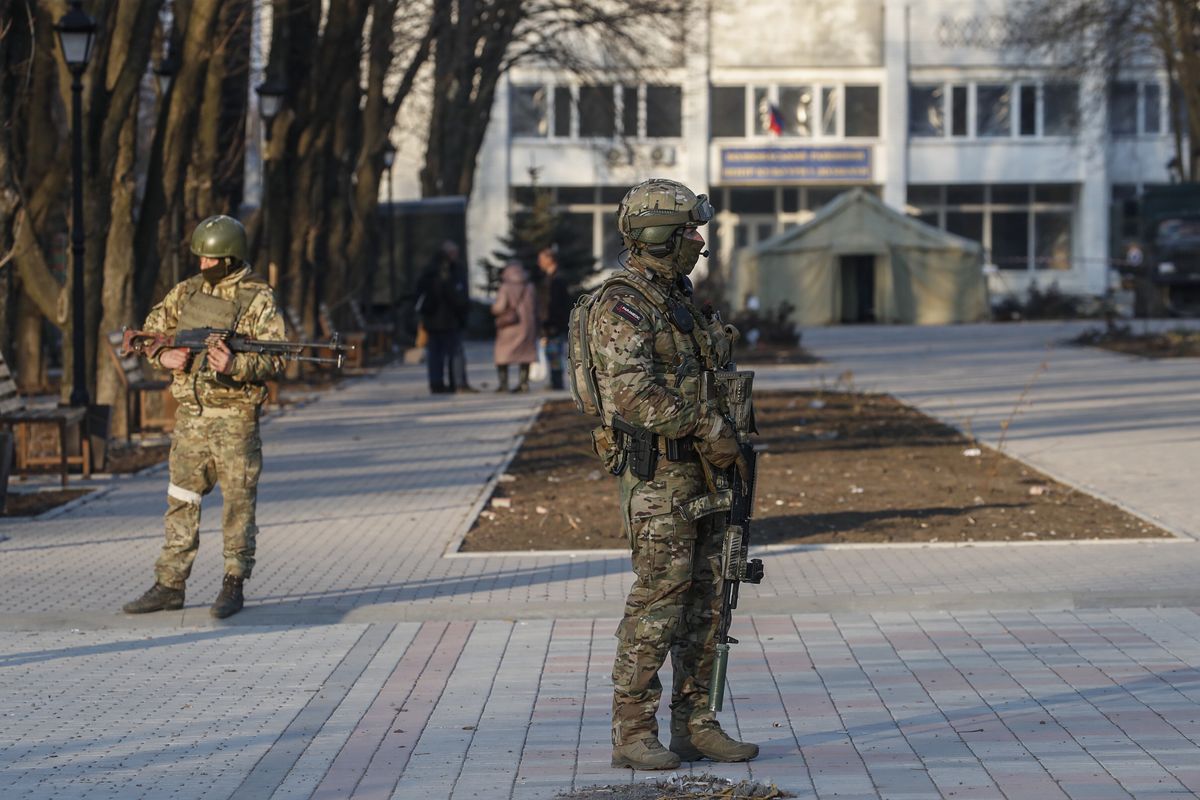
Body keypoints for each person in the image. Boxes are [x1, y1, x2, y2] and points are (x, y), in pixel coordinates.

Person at [583, 179, 757, 769]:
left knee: (710, 602)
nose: (699, 241)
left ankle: (697, 723)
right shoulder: (622, 303)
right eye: (689, 231)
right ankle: (633, 733)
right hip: (660, 479)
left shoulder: (675, 297)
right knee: (659, 603)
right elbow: (631, 392)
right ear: (659, 236)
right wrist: (710, 428)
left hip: (707, 477)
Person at [123, 215, 286, 619]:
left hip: (235, 418)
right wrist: (164, 355)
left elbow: (278, 356)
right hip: (191, 416)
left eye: (211, 260)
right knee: (182, 498)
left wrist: (235, 366)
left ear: (230, 259)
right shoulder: (187, 292)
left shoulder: (258, 298)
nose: (202, 266)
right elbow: (147, 332)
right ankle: (169, 584)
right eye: (199, 258)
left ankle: (234, 581)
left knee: (237, 503)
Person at [416, 244, 470, 394]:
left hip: (431, 319)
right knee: (455, 352)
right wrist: (462, 308)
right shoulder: (450, 271)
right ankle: (457, 383)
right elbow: (454, 296)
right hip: (448, 319)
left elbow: (419, 291)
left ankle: (436, 383)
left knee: (435, 353)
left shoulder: (429, 269)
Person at [491, 260, 538, 392]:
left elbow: (499, 307)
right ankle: (523, 384)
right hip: (527, 325)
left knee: (502, 354)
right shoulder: (530, 286)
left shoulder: (505, 287)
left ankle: (503, 384)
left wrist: (493, 309)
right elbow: (535, 307)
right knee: (525, 354)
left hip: (510, 326)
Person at [536, 246, 571, 390]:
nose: (539, 263)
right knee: (552, 353)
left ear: (549, 260)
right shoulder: (551, 278)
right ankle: (555, 380)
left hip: (554, 324)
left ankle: (557, 382)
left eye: (541, 259)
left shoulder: (556, 279)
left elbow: (554, 304)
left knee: (554, 352)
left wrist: (549, 322)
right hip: (552, 323)